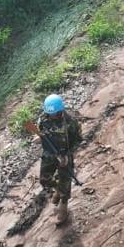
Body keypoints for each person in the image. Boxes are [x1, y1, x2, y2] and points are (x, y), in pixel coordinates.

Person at [36, 94, 82, 225]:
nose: (52, 116)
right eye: (50, 114)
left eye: (54, 114)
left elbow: (78, 140)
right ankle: (58, 191)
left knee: (65, 182)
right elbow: (40, 132)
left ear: (61, 110)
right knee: (44, 180)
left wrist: (68, 154)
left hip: (64, 156)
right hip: (49, 154)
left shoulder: (70, 122)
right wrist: (40, 138)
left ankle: (63, 208)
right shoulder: (43, 119)